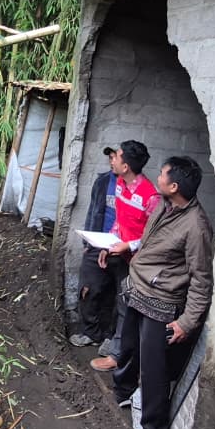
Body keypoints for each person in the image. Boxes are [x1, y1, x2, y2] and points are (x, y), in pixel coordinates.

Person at [111, 156, 214, 429]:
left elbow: (201, 280)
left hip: (161, 302)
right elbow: (148, 241)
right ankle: (124, 393)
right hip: (137, 288)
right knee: (128, 349)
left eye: (162, 173)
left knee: (154, 370)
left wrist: (187, 322)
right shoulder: (163, 205)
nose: (157, 176)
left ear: (174, 185)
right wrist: (128, 248)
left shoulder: (197, 227)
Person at [71, 142, 158, 369]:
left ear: (126, 165)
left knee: (125, 305)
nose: (113, 159)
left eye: (116, 157)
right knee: (94, 287)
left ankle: (117, 354)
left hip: (136, 261)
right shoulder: (119, 183)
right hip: (116, 250)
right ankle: (95, 335)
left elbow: (155, 236)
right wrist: (106, 246)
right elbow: (119, 221)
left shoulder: (151, 197)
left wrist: (128, 246)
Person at [69, 147, 119, 348]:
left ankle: (110, 338)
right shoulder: (103, 181)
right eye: (110, 156)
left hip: (123, 249)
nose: (111, 160)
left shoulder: (137, 189)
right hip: (98, 244)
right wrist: (87, 243)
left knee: (116, 296)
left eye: (115, 156)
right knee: (88, 289)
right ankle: (90, 332)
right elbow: (93, 212)